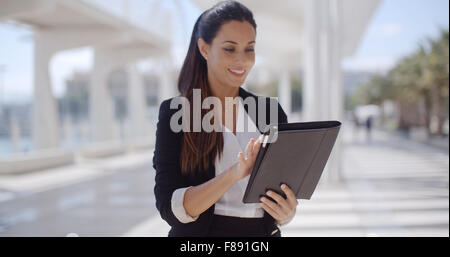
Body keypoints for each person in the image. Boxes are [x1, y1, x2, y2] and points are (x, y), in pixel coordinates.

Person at [153, 0, 297, 237]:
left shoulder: (270, 112)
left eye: (249, 48)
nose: (242, 60)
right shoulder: (176, 112)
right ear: (204, 49)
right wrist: (234, 173)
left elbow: (282, 194)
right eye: (230, 49)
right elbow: (170, 208)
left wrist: (286, 213)